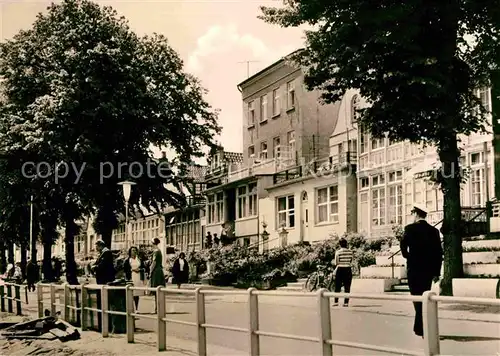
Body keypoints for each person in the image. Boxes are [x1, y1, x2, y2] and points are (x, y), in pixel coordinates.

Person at [400, 203, 443, 338]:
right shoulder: (434, 231)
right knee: (424, 296)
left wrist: (408, 256)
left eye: (412, 213)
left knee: (416, 297)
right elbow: (438, 253)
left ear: (416, 213)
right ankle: (420, 327)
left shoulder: (409, 228)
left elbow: (403, 245)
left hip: (414, 269)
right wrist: (436, 272)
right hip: (428, 271)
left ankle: (421, 327)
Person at [333, 238, 354, 307]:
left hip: (340, 269)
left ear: (340, 244)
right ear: (346, 244)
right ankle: (346, 303)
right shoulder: (350, 252)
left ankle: (336, 301)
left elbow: (336, 262)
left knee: (337, 286)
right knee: (347, 287)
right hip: (348, 269)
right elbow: (351, 261)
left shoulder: (338, 252)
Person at [123, 246, 145, 311]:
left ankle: (136, 308)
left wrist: (140, 269)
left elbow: (144, 267)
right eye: (132, 250)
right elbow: (125, 269)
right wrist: (132, 269)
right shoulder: (128, 260)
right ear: (130, 252)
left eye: (135, 250)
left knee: (137, 294)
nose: (134, 252)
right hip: (131, 276)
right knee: (131, 293)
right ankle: (130, 308)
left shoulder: (139, 259)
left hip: (138, 277)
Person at [149, 237, 165, 313]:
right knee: (158, 290)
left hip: (156, 271)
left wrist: (150, 271)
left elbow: (154, 263)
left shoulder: (156, 251)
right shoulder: (158, 251)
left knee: (156, 290)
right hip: (159, 270)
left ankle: (157, 308)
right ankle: (158, 307)